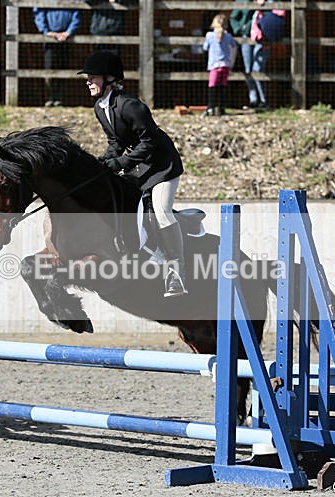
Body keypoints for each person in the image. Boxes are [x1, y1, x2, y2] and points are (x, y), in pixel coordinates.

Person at [78, 50, 188, 298]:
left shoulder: (130, 106)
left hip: (163, 167)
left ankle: (176, 273)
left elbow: (149, 142)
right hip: (139, 167)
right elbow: (115, 142)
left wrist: (121, 162)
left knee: (161, 212)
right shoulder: (100, 107)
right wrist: (101, 162)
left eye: (92, 77)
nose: (88, 81)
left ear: (109, 78)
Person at [33, 8, 81, 106]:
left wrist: (68, 32)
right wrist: (47, 32)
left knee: (64, 67)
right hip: (49, 39)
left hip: (66, 39)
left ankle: (59, 99)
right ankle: (49, 98)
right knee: (49, 68)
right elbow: (38, 13)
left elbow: (76, 14)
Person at [230, 0, 269, 110]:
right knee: (248, 69)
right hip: (246, 37)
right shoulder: (242, 1)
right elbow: (233, 17)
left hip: (261, 38)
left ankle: (263, 100)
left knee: (257, 69)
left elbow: (274, 14)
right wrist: (240, 28)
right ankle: (253, 99)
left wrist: (264, 6)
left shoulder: (266, 1)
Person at [202, 14, 238, 117]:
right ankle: (221, 108)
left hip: (214, 65)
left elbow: (205, 48)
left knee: (212, 86)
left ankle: (211, 107)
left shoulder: (210, 36)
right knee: (223, 86)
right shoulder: (228, 36)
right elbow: (234, 46)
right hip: (225, 65)